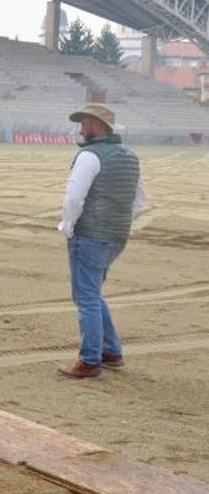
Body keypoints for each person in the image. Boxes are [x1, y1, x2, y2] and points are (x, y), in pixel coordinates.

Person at [56, 104, 144, 379]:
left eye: (84, 123)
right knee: (93, 292)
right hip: (116, 236)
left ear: (97, 126)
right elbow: (139, 200)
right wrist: (118, 222)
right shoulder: (130, 156)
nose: (81, 129)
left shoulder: (89, 156)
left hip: (90, 234)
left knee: (86, 297)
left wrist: (68, 225)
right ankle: (111, 351)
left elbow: (74, 197)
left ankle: (90, 360)